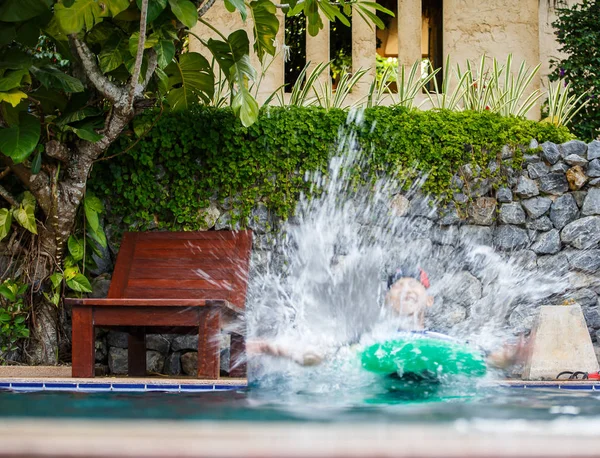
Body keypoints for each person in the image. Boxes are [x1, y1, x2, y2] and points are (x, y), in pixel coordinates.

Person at [247, 265, 530, 370]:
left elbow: (482, 359)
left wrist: (507, 360)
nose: (406, 289)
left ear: (428, 300)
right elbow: (328, 357)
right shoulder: (373, 339)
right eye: (398, 286)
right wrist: (287, 351)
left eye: (413, 285)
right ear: (387, 300)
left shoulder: (444, 340)